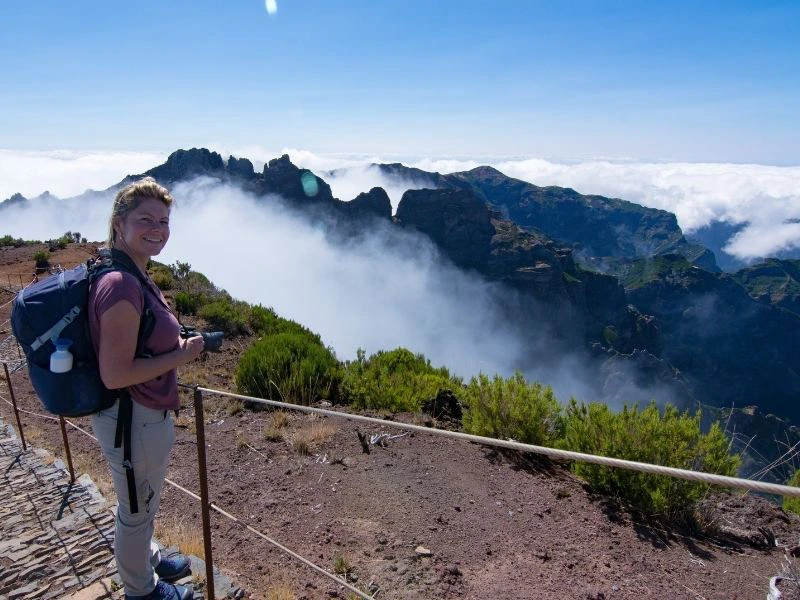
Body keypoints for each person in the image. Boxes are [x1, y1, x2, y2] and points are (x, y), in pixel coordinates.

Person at [90, 177, 205, 600]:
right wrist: (183, 355)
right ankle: (142, 591)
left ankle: (149, 559)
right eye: (145, 220)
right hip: (132, 418)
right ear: (119, 224)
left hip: (135, 416)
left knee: (143, 500)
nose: (157, 228)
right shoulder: (121, 284)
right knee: (135, 510)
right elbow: (115, 374)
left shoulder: (132, 271)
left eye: (164, 220)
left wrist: (172, 344)